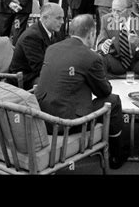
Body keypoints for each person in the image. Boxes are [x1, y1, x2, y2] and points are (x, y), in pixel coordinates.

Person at [35, 14, 126, 169]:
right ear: (91, 34)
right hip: (67, 123)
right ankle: (117, 155)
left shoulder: (52, 48)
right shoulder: (91, 57)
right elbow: (104, 91)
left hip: (43, 117)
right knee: (114, 101)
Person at [96, 0, 139, 82]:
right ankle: (102, 92)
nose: (114, 14)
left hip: (138, 62)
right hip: (117, 62)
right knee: (99, 58)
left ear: (130, 10)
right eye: (113, 10)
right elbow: (99, 45)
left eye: (118, 11)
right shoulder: (106, 20)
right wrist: (104, 46)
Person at [9, 3, 64, 89]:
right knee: (60, 83)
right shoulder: (31, 37)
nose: (62, 22)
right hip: (26, 78)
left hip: (41, 72)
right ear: (45, 18)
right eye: (58, 18)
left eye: (62, 18)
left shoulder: (55, 31)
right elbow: (39, 67)